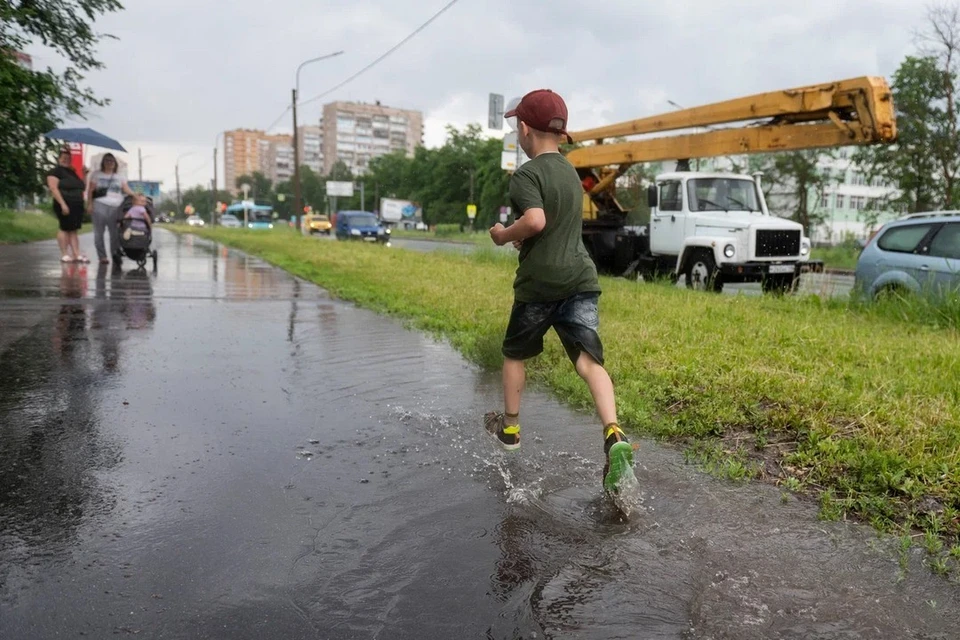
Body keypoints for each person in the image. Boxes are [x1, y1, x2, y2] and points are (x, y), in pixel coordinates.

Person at [485, 89, 633, 494]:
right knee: (589, 362)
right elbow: (555, 224)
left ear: (524, 128)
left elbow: (534, 220)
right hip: (580, 280)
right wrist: (527, 238)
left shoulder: (526, 175)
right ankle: (614, 432)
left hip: (540, 285)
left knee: (515, 354)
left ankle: (511, 429)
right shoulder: (571, 172)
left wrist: (504, 236)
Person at [85, 153, 133, 264]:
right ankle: (102, 256)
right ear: (103, 162)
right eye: (107, 160)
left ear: (115, 163)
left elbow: (126, 189)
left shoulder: (119, 176)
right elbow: (90, 190)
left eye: (112, 161)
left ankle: (115, 254)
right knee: (98, 233)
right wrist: (90, 204)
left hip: (116, 206)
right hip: (99, 205)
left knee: (115, 233)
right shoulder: (96, 174)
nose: (109, 163)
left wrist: (135, 195)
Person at [46, 147, 88, 263]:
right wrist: (63, 204)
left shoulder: (72, 172)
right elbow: (53, 188)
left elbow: (82, 186)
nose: (66, 160)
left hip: (76, 204)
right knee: (64, 228)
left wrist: (84, 175)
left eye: (68, 158)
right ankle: (64, 254)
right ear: (59, 159)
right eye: (64, 158)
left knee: (73, 229)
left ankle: (76, 254)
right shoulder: (55, 172)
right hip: (64, 202)